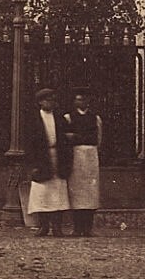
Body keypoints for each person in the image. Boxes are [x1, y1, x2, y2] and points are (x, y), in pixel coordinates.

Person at [23, 87, 72, 237]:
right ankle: (43, 226)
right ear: (40, 102)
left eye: (52, 100)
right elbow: (29, 143)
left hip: (58, 156)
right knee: (42, 193)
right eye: (46, 100)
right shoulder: (33, 119)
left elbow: (66, 140)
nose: (50, 103)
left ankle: (57, 227)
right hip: (41, 158)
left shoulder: (60, 118)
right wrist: (33, 164)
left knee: (58, 192)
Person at [63, 88, 102, 237]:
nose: (82, 102)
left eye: (84, 99)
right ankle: (77, 227)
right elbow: (66, 138)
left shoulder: (95, 118)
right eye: (79, 99)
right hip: (76, 156)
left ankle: (88, 227)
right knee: (76, 191)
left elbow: (99, 139)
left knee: (91, 192)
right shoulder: (68, 118)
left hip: (91, 156)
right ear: (74, 102)